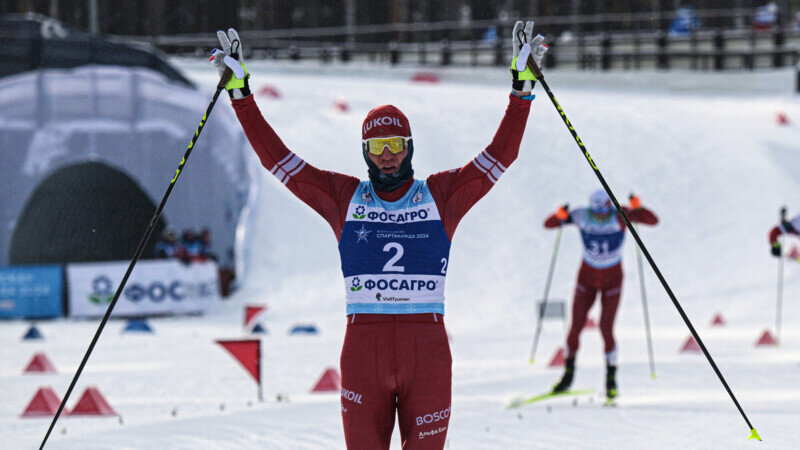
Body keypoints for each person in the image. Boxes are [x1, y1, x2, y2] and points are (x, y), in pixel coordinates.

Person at [210, 22, 548, 449]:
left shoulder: (440, 196)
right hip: (363, 351)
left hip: (426, 352)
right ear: (364, 152)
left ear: (410, 146)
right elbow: (278, 161)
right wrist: (241, 96)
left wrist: (522, 92)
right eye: (376, 148)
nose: (387, 157)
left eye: (395, 145)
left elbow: (501, 155)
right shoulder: (343, 198)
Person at [543, 189, 658, 401]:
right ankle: (567, 376)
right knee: (575, 327)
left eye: (603, 211)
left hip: (612, 281)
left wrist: (637, 208)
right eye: (595, 211)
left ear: (609, 206)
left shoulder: (619, 214)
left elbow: (652, 220)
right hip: (586, 280)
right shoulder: (580, 215)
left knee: (606, 328)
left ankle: (611, 380)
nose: (600, 216)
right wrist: (559, 215)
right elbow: (549, 224)